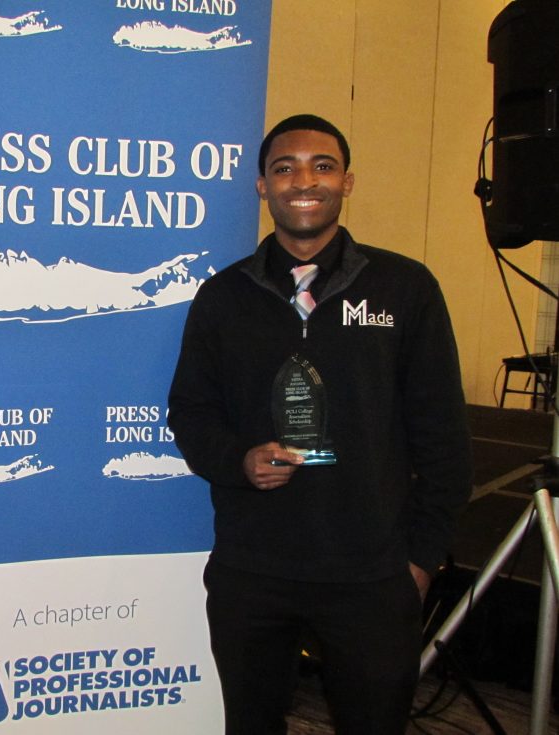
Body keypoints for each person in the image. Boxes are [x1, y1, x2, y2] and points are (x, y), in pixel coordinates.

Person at [168, 114, 472, 735]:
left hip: (372, 575)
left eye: (322, 166)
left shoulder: (404, 289)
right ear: (262, 188)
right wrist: (238, 461)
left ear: (348, 181)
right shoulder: (223, 297)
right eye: (284, 168)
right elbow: (191, 412)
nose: (303, 180)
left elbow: (443, 436)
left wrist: (419, 561)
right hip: (253, 571)